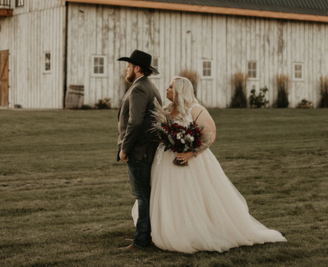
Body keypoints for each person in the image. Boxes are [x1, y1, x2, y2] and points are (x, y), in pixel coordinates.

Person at [133, 76, 286, 253]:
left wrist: (191, 153)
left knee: (187, 195)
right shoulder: (167, 110)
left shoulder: (195, 109)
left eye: (170, 87)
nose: (166, 89)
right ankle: (164, 229)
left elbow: (210, 135)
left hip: (189, 162)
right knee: (166, 194)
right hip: (164, 161)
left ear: (180, 90)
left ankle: (190, 231)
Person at [117, 50, 162, 251]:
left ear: (137, 68)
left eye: (128, 66)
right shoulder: (148, 86)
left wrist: (125, 148)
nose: (125, 69)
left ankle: (141, 241)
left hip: (139, 151)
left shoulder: (139, 89)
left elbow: (135, 123)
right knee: (144, 195)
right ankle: (145, 235)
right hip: (146, 149)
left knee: (142, 196)